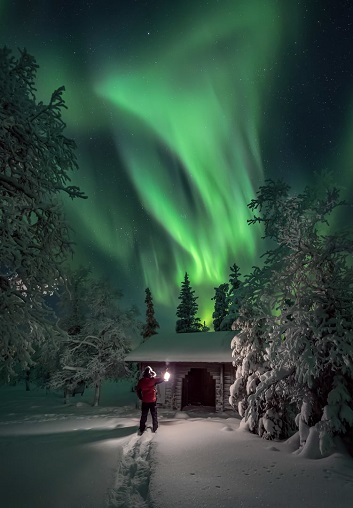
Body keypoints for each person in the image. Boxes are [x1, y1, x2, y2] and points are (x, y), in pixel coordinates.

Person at [136, 366, 165, 434]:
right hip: (152, 401)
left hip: (145, 401)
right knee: (154, 415)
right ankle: (155, 427)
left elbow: (138, 390)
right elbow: (161, 379)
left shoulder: (141, 381)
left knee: (144, 415)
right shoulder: (153, 380)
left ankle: (142, 428)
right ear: (151, 373)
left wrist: (141, 397)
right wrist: (164, 374)